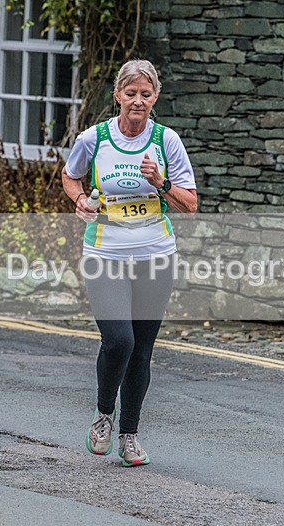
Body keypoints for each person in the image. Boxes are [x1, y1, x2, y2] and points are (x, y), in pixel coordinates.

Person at [61, 59, 198, 467]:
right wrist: (80, 200)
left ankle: (130, 436)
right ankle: (104, 414)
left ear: (155, 98)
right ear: (118, 95)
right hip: (105, 253)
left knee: (141, 350)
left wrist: (161, 182)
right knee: (119, 340)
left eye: (146, 94)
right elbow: (70, 176)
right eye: (131, 93)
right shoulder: (94, 138)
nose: (138, 101)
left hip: (156, 254)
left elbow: (190, 204)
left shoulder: (167, 141)